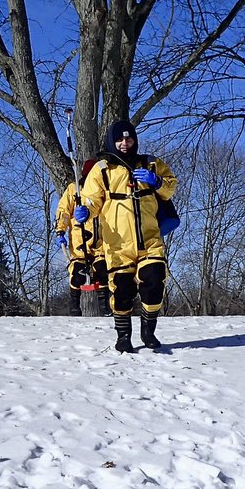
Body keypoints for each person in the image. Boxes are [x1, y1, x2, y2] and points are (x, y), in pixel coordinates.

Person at [74, 120, 178, 352]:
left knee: (154, 280)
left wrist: (157, 182)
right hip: (118, 245)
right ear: (112, 141)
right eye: (119, 139)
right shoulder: (101, 169)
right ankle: (123, 335)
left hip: (150, 240)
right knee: (122, 290)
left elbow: (171, 187)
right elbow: (92, 200)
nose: (124, 143)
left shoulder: (150, 163)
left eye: (128, 138)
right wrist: (85, 212)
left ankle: (148, 331)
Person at [54, 158, 110, 316]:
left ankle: (104, 304)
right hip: (80, 243)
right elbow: (63, 211)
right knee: (78, 273)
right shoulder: (74, 190)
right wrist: (60, 230)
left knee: (103, 271)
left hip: (100, 243)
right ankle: (74, 303)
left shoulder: (105, 192)